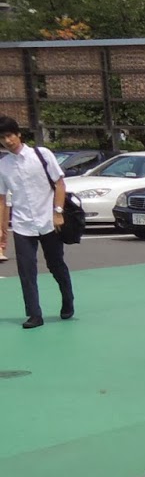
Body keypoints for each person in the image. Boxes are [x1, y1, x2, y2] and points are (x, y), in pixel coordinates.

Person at [0, 115, 74, 329]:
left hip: (49, 220)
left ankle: (68, 299)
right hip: (23, 224)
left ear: (18, 134)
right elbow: (2, 199)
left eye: (10, 135)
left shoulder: (42, 155)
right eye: (2, 137)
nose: (7, 141)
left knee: (55, 265)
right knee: (26, 269)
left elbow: (60, 183)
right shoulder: (3, 166)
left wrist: (58, 212)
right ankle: (34, 314)